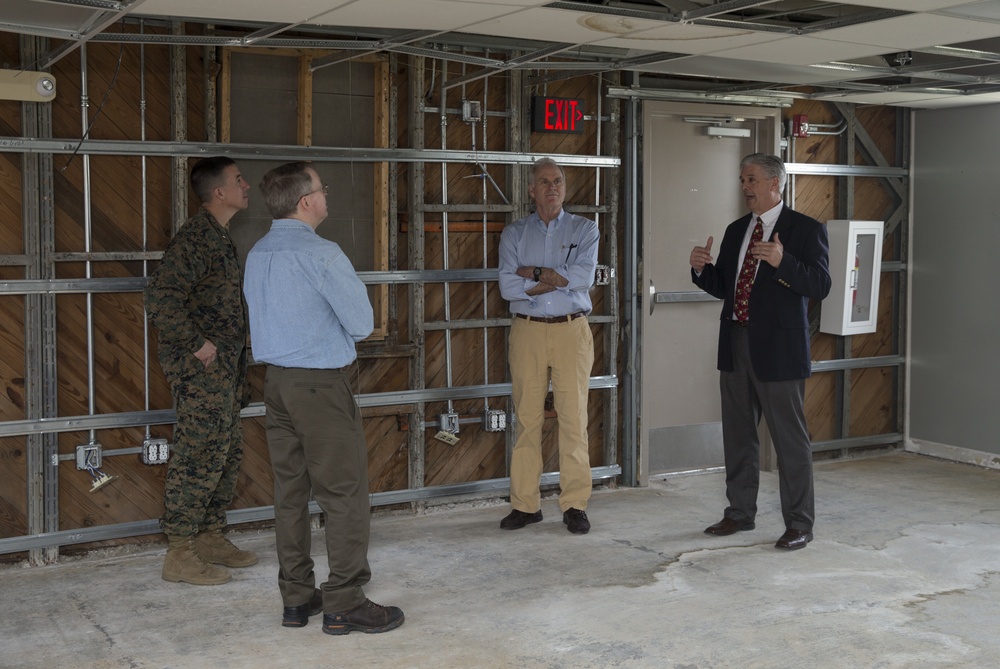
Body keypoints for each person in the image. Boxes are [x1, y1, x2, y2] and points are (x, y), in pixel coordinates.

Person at [243, 161, 404, 635]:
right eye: (322, 188)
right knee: (344, 495)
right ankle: (344, 602)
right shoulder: (322, 254)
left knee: (290, 493)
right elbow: (360, 323)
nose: (326, 195)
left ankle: (297, 598)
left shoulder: (257, 253)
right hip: (320, 386)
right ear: (306, 201)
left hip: (276, 384)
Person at [689, 152, 831, 551]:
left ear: (774, 184)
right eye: (742, 180)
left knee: (790, 441)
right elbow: (726, 286)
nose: (745, 187)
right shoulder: (737, 230)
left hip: (780, 349)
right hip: (735, 342)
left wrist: (783, 262)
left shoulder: (804, 230)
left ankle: (799, 524)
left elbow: (820, 285)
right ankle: (739, 513)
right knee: (738, 435)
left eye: (751, 180)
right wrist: (702, 269)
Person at [144, 156, 257, 585]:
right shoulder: (196, 238)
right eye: (239, 180)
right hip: (201, 371)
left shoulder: (218, 236)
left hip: (224, 372)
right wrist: (198, 344)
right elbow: (160, 298)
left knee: (224, 451)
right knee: (198, 455)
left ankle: (209, 537)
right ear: (219, 192)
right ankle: (178, 552)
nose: (246, 186)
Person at [497, 157, 600, 535]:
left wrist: (533, 273)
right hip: (527, 331)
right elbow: (508, 288)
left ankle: (575, 504)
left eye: (558, 181)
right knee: (527, 419)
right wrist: (557, 277)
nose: (553, 187)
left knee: (574, 419)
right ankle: (525, 505)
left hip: (571, 331)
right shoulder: (514, 234)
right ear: (532, 190)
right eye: (544, 181)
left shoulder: (585, 229)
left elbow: (582, 277)